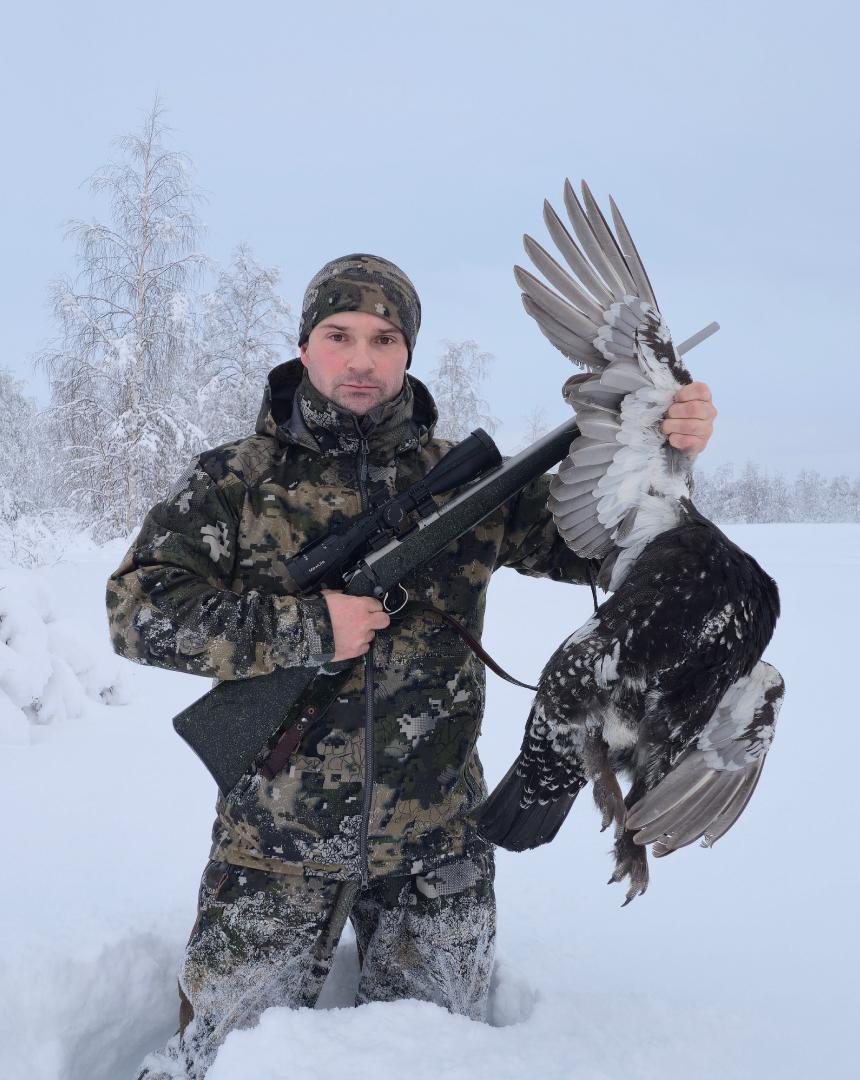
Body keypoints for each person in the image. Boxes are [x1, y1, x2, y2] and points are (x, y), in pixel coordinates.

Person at [108, 254, 714, 1079]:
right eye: (340, 334)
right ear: (305, 344)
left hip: (442, 852)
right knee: (211, 1062)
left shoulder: (462, 481)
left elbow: (618, 551)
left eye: (385, 338)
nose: (361, 358)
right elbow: (137, 612)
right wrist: (303, 628)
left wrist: (666, 451)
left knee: (434, 1064)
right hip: (271, 849)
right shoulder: (236, 481)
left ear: (408, 352)